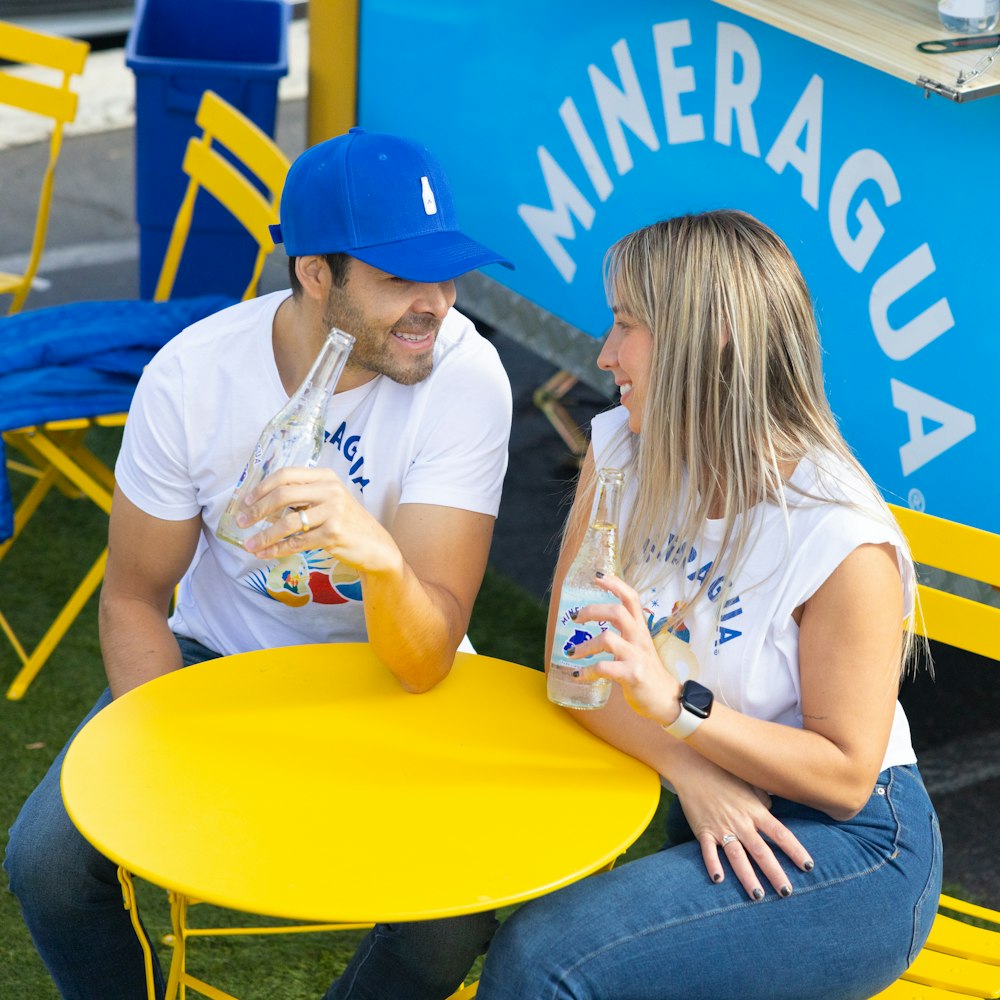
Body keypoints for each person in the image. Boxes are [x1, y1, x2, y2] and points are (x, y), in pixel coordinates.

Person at [5, 127, 514, 1000]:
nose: (436, 304)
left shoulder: (466, 377)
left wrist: (382, 561)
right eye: (400, 279)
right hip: (219, 661)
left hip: (393, 677)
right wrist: (169, 755)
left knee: (454, 914)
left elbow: (427, 652)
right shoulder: (193, 378)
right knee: (46, 862)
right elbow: (133, 596)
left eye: (445, 272)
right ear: (317, 272)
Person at [477, 211, 942, 1000]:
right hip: (702, 786)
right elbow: (571, 660)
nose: (604, 354)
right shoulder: (623, 445)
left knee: (545, 961)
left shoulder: (838, 534)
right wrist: (691, 771)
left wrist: (681, 710)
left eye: (628, 325)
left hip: (845, 845)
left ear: (710, 336)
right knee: (464, 872)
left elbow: (844, 777)